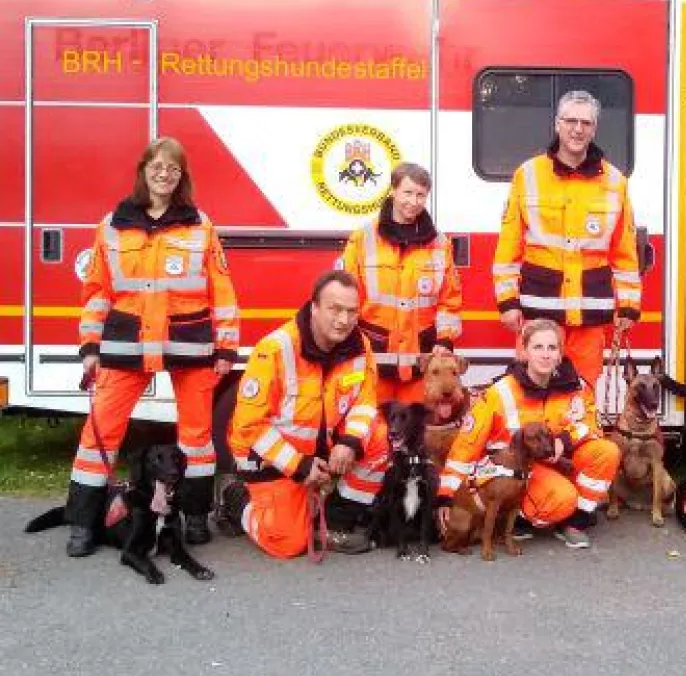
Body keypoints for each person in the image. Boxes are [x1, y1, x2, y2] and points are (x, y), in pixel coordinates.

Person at [67, 137, 238, 557]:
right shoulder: (112, 224)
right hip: (126, 344)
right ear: (143, 170)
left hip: (190, 345)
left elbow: (222, 290)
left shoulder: (200, 225)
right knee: (99, 434)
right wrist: (90, 345)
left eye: (173, 169)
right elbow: (97, 292)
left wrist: (226, 348)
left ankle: (194, 518)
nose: (165, 174)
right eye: (157, 166)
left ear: (182, 177)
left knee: (197, 439)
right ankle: (84, 524)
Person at [219, 270, 389, 558]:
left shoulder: (360, 346)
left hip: (318, 453)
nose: (343, 320)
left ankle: (337, 521)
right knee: (287, 543)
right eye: (334, 309)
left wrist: (350, 442)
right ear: (314, 307)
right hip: (269, 457)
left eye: (351, 311)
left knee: (380, 439)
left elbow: (365, 400)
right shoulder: (275, 349)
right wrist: (298, 465)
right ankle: (235, 499)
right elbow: (250, 425)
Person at [492, 90, 641, 388]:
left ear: (594, 129)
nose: (578, 129)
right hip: (539, 311)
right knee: (532, 393)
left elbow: (624, 253)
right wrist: (507, 301)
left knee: (581, 393)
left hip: (590, 315)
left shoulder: (615, 182)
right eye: (570, 120)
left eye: (586, 122)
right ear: (557, 124)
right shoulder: (528, 174)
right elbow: (509, 246)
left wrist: (628, 306)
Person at [437, 318, 619, 549]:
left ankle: (576, 522)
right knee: (561, 499)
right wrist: (446, 496)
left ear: (560, 353)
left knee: (607, 451)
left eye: (552, 348)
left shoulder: (576, 387)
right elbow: (467, 444)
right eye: (538, 347)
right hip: (515, 469)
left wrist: (564, 441)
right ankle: (518, 518)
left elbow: (591, 426)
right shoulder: (500, 391)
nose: (545, 355)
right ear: (524, 351)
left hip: (555, 458)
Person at [337, 162, 463, 403]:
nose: (413, 202)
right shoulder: (363, 239)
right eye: (407, 193)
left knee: (419, 430)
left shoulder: (439, 243)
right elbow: (347, 297)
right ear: (393, 191)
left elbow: (450, 299)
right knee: (372, 429)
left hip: (420, 364)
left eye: (420, 195)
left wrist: (445, 339)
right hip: (374, 361)